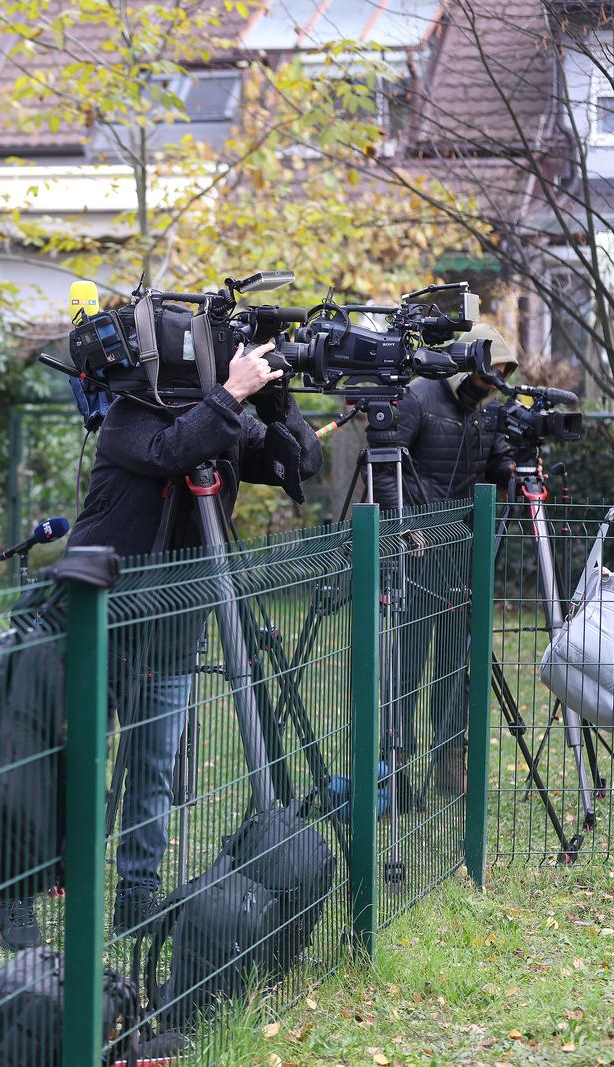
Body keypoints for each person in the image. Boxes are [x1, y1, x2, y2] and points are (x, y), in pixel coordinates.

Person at [65, 327, 323, 943]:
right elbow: (175, 450)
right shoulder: (130, 416)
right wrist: (231, 397)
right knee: (74, 760)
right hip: (106, 609)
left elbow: (302, 462)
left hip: (178, 621)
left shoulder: (225, 417)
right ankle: (29, 887)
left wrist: (272, 399)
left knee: (154, 766)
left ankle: (137, 894)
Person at [372, 323, 518, 806]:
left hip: (463, 555)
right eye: (489, 374)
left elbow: (497, 470)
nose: (491, 384)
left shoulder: (485, 413)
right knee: (409, 665)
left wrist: (513, 465)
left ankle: (448, 759)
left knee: (456, 665)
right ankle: (394, 766)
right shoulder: (418, 396)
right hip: (417, 551)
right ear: (470, 365)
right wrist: (404, 528)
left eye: (500, 377)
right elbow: (386, 463)